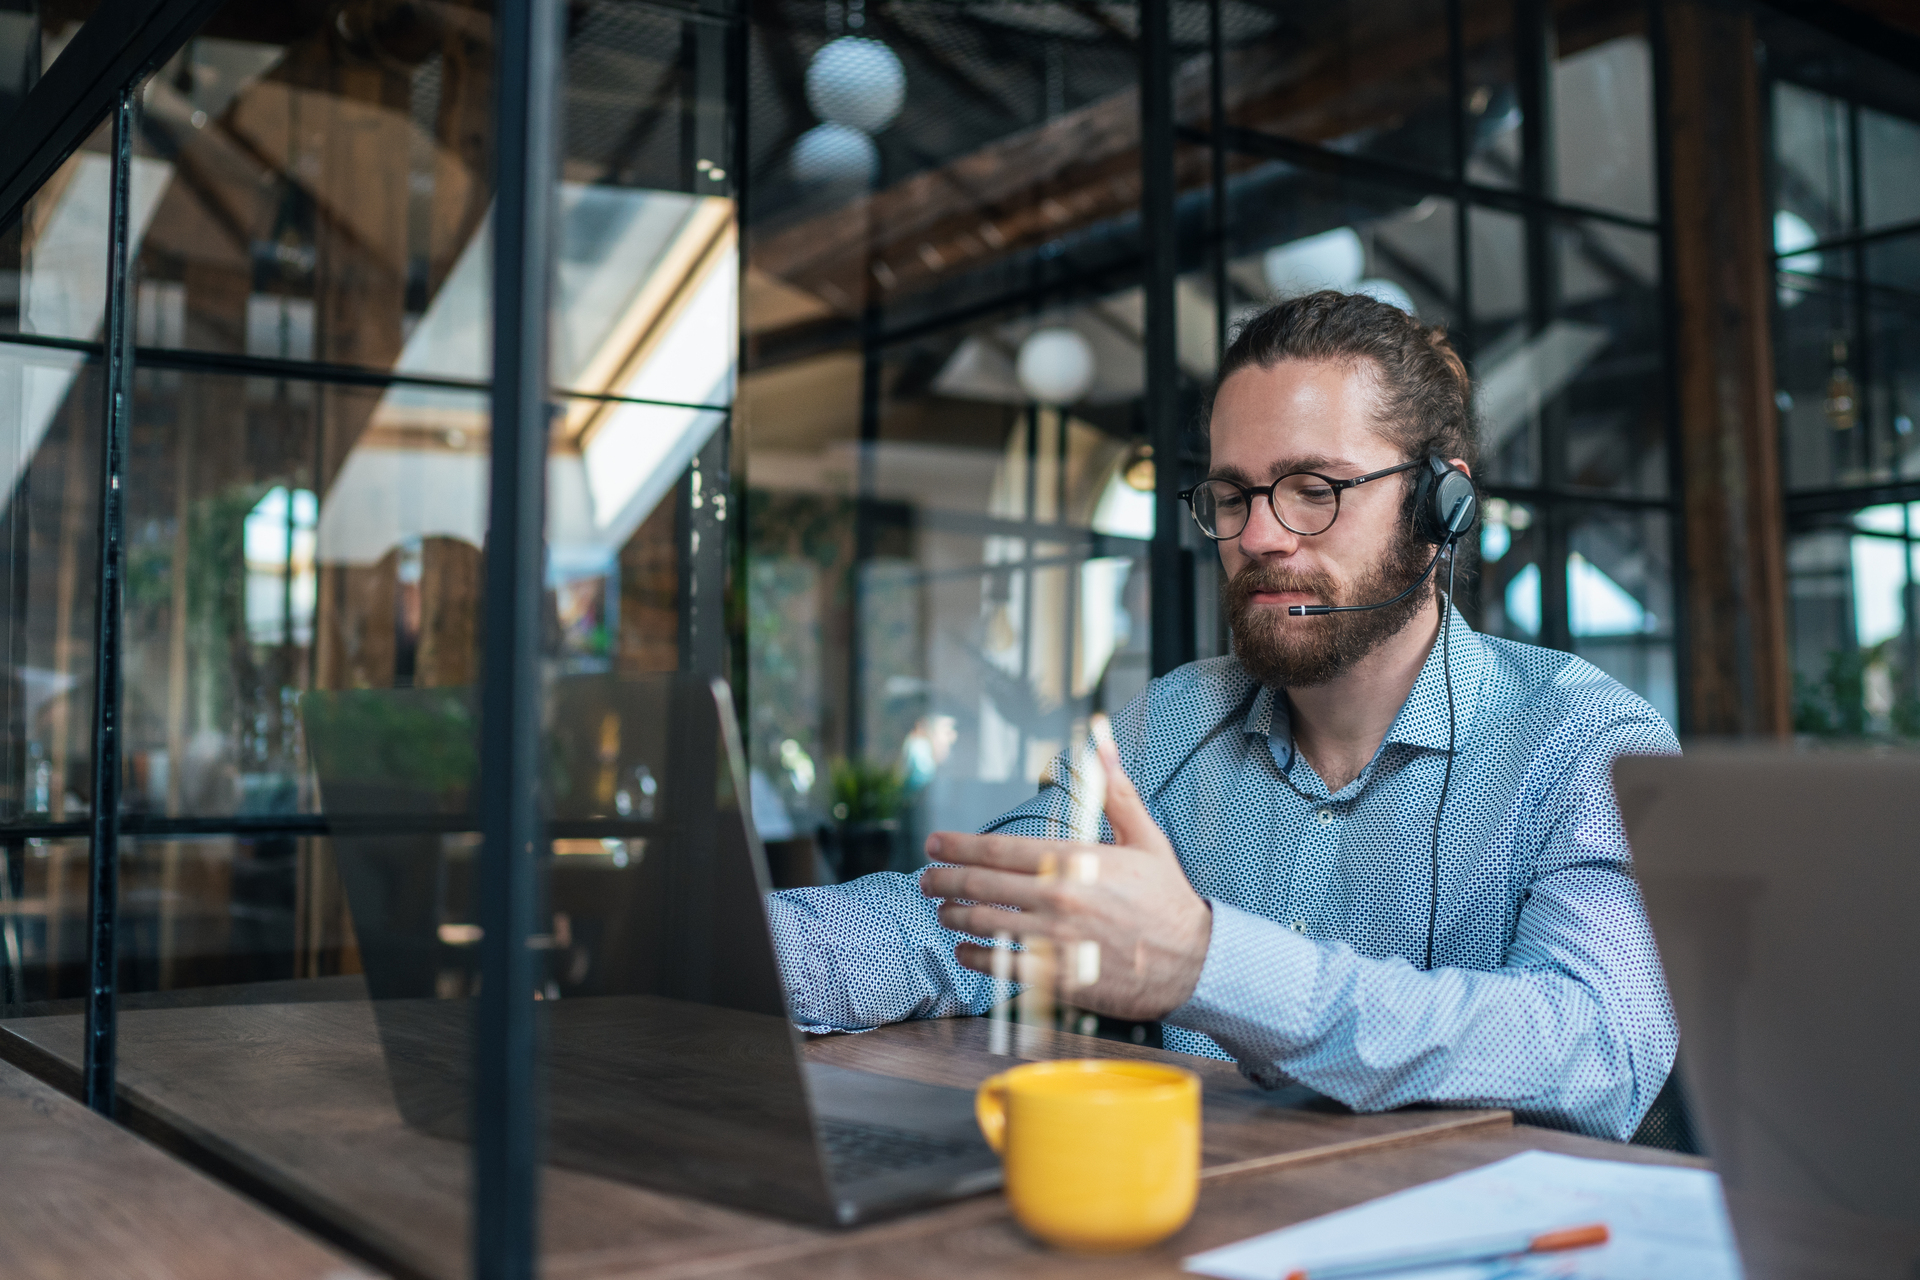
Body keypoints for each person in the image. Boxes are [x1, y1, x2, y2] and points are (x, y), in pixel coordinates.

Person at [767, 291, 1678, 1142]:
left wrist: (1206, 963)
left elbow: (1597, 1047)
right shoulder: (1178, 720)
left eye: (1314, 488)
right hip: (1196, 1226)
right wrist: (717, 942)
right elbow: (973, 913)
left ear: (1441, 505)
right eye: (1234, 495)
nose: (1258, 537)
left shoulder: (1588, 743)